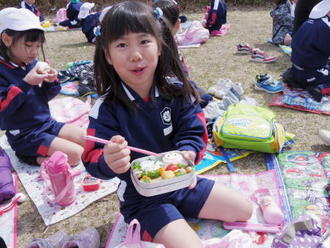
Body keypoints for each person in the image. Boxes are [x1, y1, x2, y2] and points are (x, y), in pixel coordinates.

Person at [82, 2, 253, 248]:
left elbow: (193, 129)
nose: (135, 55)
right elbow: (91, 157)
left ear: (160, 45)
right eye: (122, 45)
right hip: (144, 198)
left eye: (144, 41)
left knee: (243, 210)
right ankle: (158, 224)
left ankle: (177, 213)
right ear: (107, 55)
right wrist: (108, 161)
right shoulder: (106, 108)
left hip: (180, 182)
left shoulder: (176, 90)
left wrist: (188, 152)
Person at [0, 8, 85, 166]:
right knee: (76, 155)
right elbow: (3, 108)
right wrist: (25, 84)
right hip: (25, 134)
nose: (34, 52)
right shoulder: (3, 71)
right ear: (6, 39)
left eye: (38, 46)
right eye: (29, 45)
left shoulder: (31, 64)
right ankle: (27, 156)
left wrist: (51, 82)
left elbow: (44, 97)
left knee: (85, 139)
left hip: (46, 123)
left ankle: (49, 145)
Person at [152, 0, 212, 108]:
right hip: (175, 96)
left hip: (174, 91)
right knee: (206, 97)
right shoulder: (168, 51)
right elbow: (180, 83)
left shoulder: (152, 48)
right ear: (177, 24)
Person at [290, 0, 330, 102]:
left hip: (296, 70)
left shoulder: (309, 22)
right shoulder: (326, 27)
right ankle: (320, 88)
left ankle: (297, 79)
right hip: (309, 74)